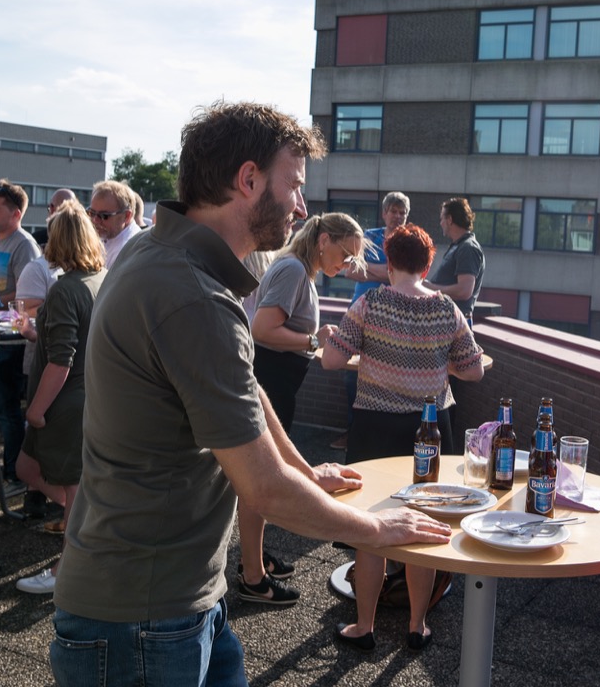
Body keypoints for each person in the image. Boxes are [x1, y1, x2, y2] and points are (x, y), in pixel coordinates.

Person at [49, 100, 450, 686]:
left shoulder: (163, 255)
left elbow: (248, 388)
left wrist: (306, 472)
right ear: (248, 180)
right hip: (142, 618)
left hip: (180, 599)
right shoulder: (192, 294)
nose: (301, 206)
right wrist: (376, 531)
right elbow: (263, 489)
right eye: (295, 185)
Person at [322, 222, 484, 653]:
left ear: (389, 263)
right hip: (430, 429)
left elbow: (332, 361)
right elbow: (474, 370)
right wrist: (437, 363)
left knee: (371, 528)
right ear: (427, 266)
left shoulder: (370, 303)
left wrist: (329, 338)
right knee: (421, 525)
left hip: (376, 428)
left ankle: (365, 626)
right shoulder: (446, 309)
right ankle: (417, 625)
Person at [240, 212, 365, 606]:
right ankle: (252, 575)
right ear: (324, 240)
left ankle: (255, 560)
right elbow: (262, 329)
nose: (346, 265)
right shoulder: (294, 270)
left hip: (277, 379)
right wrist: (314, 340)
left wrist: (314, 338)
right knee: (259, 480)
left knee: (257, 478)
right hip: (273, 379)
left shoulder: (298, 269)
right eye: (345, 254)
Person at [14, 205, 106, 594]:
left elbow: (61, 360)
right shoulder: (99, 279)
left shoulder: (67, 288)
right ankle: (93, 522)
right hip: (85, 396)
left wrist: (36, 410)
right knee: (27, 468)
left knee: (73, 489)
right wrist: (35, 332)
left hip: (66, 402)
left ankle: (66, 571)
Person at [333, 191, 410, 450]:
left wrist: (371, 271)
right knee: (350, 375)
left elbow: (406, 277)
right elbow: (350, 270)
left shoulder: (408, 242)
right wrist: (388, 273)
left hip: (392, 318)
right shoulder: (369, 237)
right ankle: (352, 431)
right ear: (384, 213)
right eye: (393, 211)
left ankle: (378, 436)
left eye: (402, 213)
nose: (397, 216)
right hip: (359, 312)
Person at [0, 180, 41, 490]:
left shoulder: (24, 245)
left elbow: (26, 295)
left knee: (7, 410)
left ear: (16, 214)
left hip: (12, 340)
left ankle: (14, 474)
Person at [425, 197, 484, 321]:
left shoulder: (468, 248)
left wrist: (430, 287)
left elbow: (464, 291)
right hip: (447, 321)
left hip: (456, 322)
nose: (440, 223)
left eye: (442, 218)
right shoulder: (459, 246)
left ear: (450, 220)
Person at [87, 180, 142, 268]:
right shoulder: (108, 234)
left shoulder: (129, 250)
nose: (95, 220)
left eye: (104, 216)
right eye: (91, 213)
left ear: (126, 216)